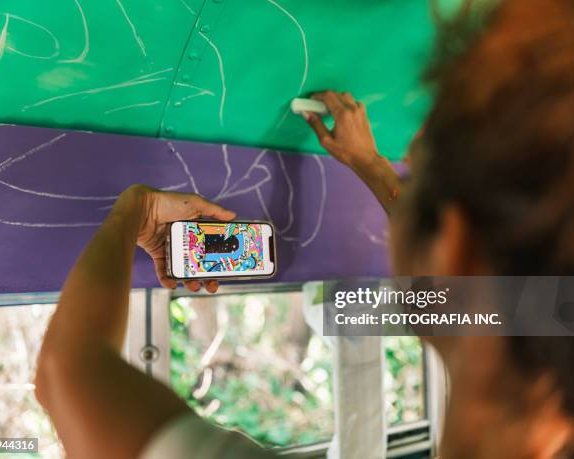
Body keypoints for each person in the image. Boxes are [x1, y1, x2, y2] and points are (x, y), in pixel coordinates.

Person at [35, 0, 574, 457]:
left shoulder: (494, 301)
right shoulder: (537, 311)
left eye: (418, 164)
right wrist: (371, 164)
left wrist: (134, 210)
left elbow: (68, 367)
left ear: (458, 251)